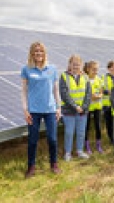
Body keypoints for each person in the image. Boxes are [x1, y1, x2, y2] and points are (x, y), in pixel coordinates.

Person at [21, 42, 61, 178]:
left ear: (44, 53)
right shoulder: (26, 69)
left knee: (52, 139)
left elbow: (56, 90)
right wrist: (25, 110)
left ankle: (54, 163)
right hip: (33, 111)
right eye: (36, 51)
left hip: (50, 109)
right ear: (32, 54)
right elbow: (23, 91)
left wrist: (58, 108)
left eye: (41, 51)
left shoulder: (52, 69)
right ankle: (31, 166)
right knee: (32, 140)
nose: (39, 54)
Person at [60, 55, 91, 161]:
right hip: (69, 110)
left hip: (82, 111)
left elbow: (88, 94)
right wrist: (75, 106)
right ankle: (67, 153)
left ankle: (80, 151)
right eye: (73, 64)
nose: (76, 66)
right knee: (69, 132)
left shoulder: (85, 77)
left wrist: (83, 107)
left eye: (78, 64)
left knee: (81, 132)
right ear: (69, 64)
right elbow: (64, 94)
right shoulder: (64, 76)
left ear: (81, 65)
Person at [85, 61, 103, 154]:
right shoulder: (85, 79)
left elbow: (101, 91)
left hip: (97, 106)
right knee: (87, 126)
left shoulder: (99, 79)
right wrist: (91, 96)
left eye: (97, 69)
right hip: (88, 107)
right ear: (88, 69)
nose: (95, 71)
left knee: (98, 126)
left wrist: (99, 96)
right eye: (93, 69)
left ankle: (98, 145)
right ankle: (87, 146)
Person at [102, 61, 114, 144]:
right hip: (107, 104)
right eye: (111, 67)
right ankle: (111, 139)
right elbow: (102, 90)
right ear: (108, 68)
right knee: (109, 123)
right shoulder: (104, 77)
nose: (113, 68)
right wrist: (107, 91)